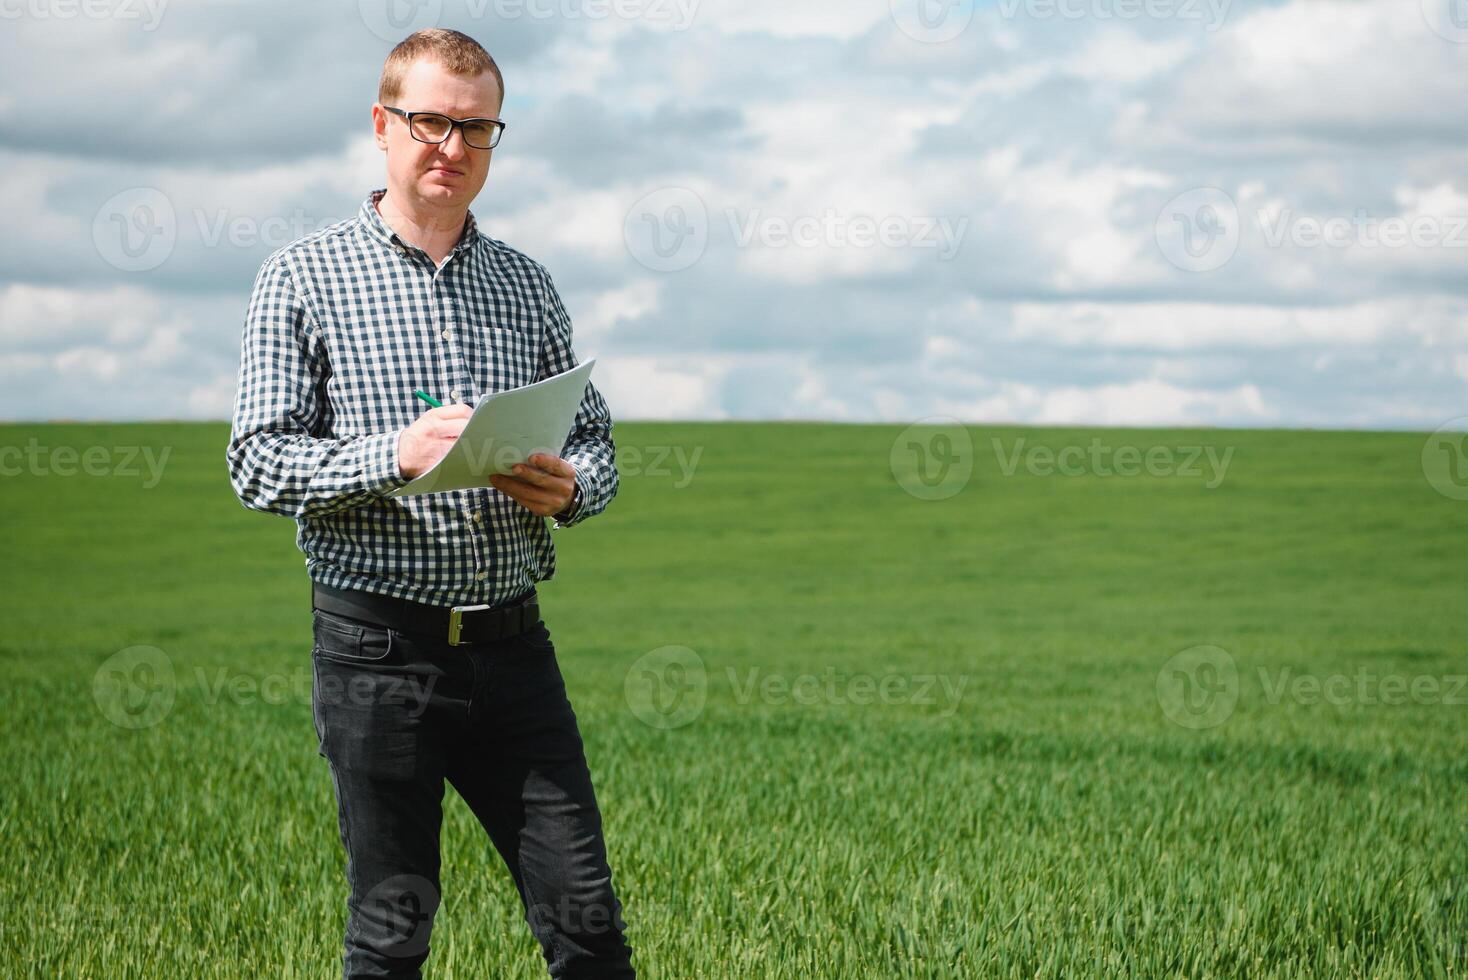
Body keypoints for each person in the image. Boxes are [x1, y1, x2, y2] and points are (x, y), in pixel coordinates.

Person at [226, 28, 634, 980]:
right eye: (429, 122)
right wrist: (392, 455)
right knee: (390, 932)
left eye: (475, 128)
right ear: (382, 124)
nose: (451, 146)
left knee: (587, 925)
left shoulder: (526, 286)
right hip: (376, 652)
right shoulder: (303, 277)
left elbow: (597, 441)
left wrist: (573, 487)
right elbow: (256, 463)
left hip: (513, 648)